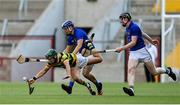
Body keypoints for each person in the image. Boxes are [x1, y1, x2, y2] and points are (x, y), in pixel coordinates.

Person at [115, 12, 177, 96]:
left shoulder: (134, 27)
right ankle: (131, 89)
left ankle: (168, 71)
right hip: (133, 53)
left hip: (142, 52)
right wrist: (151, 40)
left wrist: (121, 48)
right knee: (130, 70)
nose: (121, 21)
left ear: (126, 19)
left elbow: (133, 42)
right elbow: (143, 33)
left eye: (122, 19)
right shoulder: (127, 28)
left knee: (154, 72)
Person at [28, 49, 101, 95]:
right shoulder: (51, 62)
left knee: (99, 59)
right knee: (76, 79)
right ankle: (87, 85)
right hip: (73, 65)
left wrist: (68, 74)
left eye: (50, 58)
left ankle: (93, 50)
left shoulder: (63, 57)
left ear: (54, 57)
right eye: (48, 59)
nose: (49, 60)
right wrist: (34, 78)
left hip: (78, 60)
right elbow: (44, 70)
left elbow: (67, 65)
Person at [61, 20, 103, 95]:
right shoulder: (70, 37)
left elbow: (79, 45)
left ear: (70, 28)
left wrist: (72, 56)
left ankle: (98, 85)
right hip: (81, 54)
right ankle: (70, 88)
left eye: (65, 29)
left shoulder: (79, 32)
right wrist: (60, 56)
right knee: (75, 72)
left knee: (85, 74)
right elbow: (67, 50)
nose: (64, 31)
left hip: (89, 53)